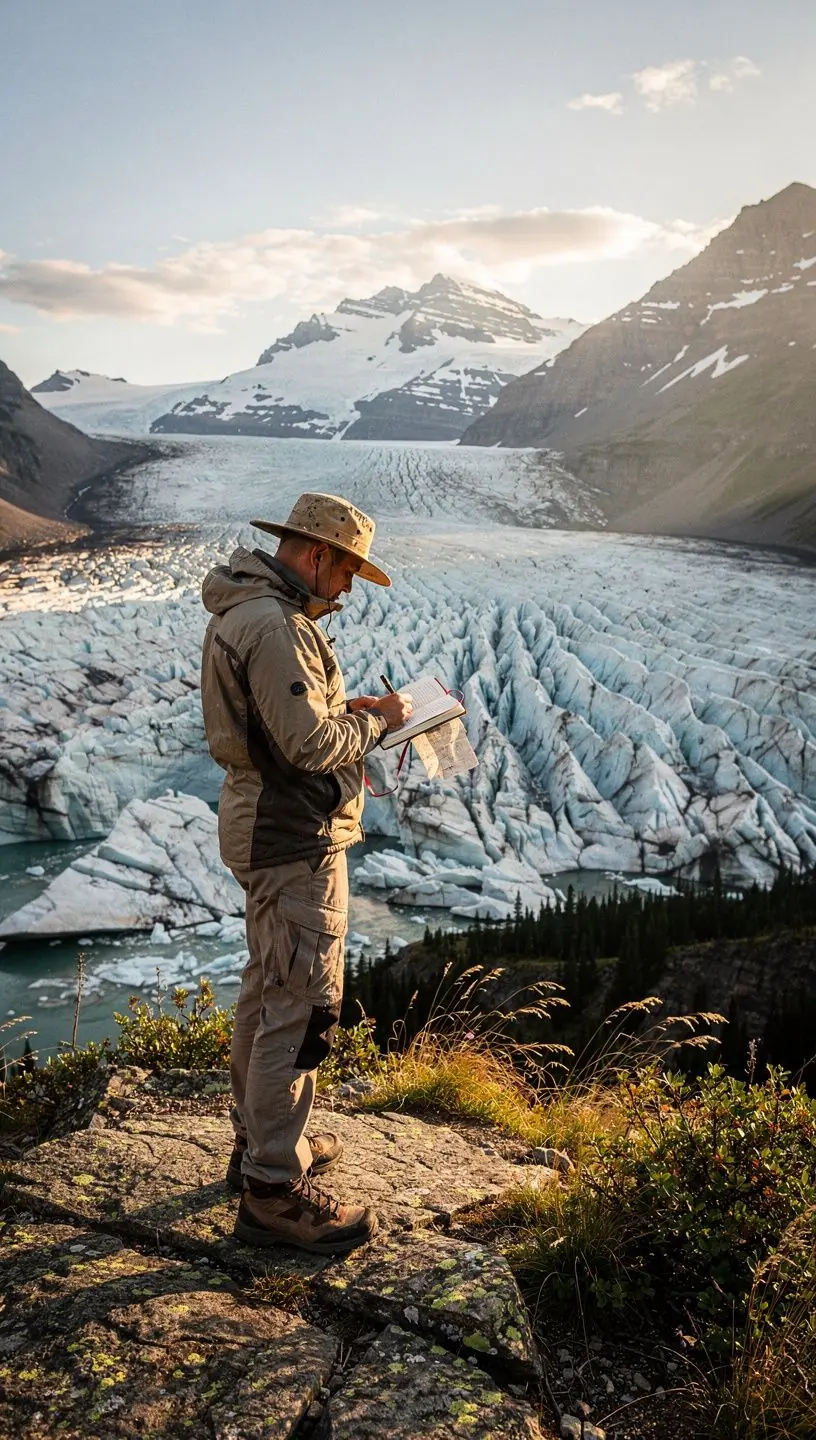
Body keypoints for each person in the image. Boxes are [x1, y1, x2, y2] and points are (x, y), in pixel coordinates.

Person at [200, 492, 411, 1256]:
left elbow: (286, 723)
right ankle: (273, 1194)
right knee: (302, 1007)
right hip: (294, 838)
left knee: (267, 992)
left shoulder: (253, 612)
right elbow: (308, 747)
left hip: (267, 828)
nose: (348, 590)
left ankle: (259, 1144)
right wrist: (380, 720)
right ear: (317, 555)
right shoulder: (276, 626)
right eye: (348, 571)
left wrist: (337, 707)